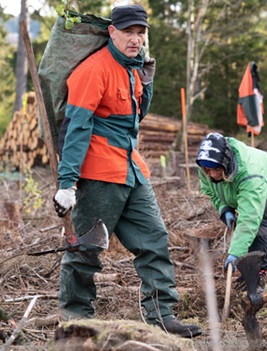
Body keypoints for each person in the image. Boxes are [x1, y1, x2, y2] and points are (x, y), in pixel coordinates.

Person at [51, 4, 201, 338]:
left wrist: (146, 83)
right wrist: (67, 182)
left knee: (155, 239)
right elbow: (76, 128)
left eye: (140, 32)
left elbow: (134, 119)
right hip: (99, 172)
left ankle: (162, 316)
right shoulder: (93, 70)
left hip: (132, 169)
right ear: (112, 32)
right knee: (86, 249)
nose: (135, 39)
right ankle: (76, 321)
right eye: (128, 32)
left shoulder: (136, 68)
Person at [195, 132, 267, 290]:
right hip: (247, 189)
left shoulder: (249, 175)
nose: (212, 175)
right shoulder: (206, 168)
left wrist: (235, 253)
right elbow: (211, 192)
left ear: (226, 163)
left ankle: (258, 275)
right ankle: (248, 273)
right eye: (208, 170)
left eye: (216, 170)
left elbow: (250, 219)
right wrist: (224, 209)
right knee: (245, 228)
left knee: (259, 222)